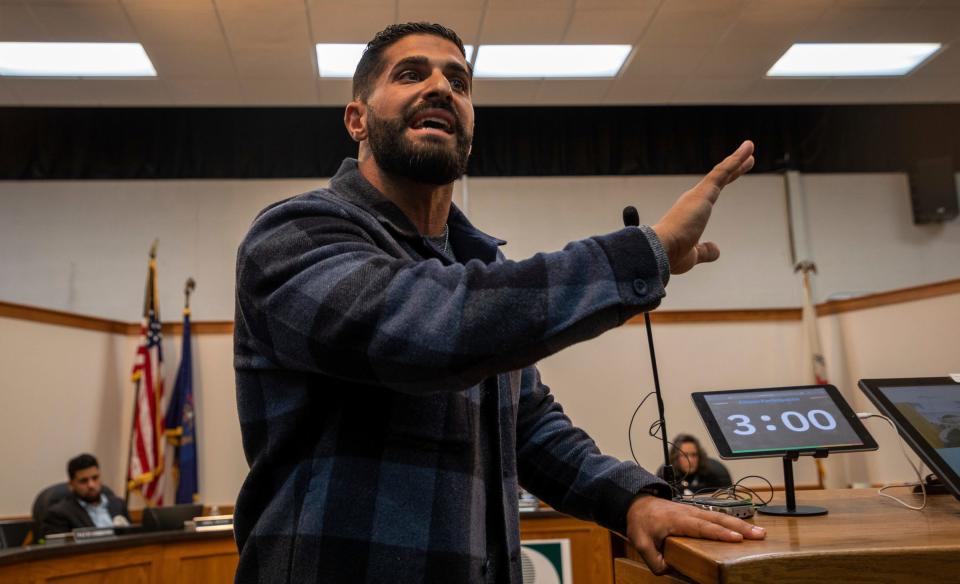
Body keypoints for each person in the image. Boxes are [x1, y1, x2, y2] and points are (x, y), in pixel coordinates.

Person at [233, 22, 764, 583]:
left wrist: (632, 500)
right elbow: (425, 330)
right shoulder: (294, 235)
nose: (441, 87)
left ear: (470, 127)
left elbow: (528, 428)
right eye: (411, 74)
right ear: (357, 119)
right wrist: (641, 255)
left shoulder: (474, 269)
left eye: (459, 83)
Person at [39, 453, 129, 538]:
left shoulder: (118, 504)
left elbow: (131, 537)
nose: (91, 485)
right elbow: (60, 551)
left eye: (95, 478)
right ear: (71, 485)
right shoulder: (59, 514)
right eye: (84, 481)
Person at [659, 434, 733, 494]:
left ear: (700, 456)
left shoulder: (716, 473)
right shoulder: (666, 474)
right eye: (684, 455)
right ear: (675, 457)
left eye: (694, 455)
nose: (690, 460)